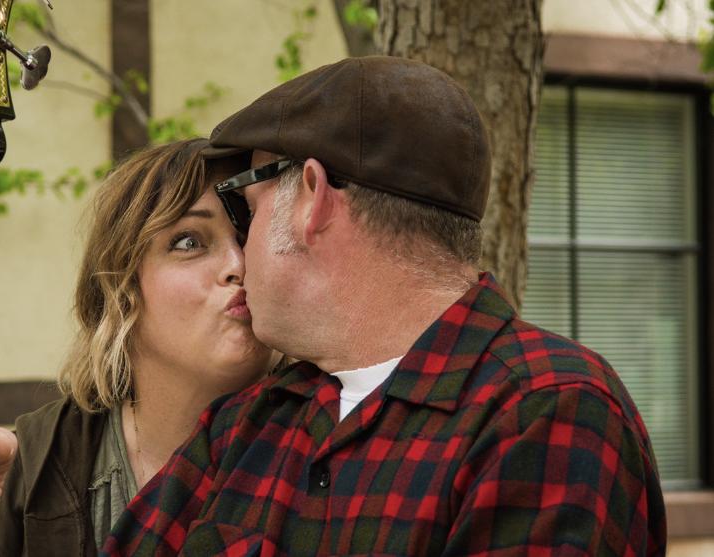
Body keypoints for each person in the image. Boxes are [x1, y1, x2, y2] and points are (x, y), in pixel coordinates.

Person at [103, 56, 666, 555]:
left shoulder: (547, 411)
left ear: (311, 198)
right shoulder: (248, 423)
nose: (240, 256)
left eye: (246, 211)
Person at [0, 139, 280, 556]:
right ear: (121, 293)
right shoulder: (35, 465)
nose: (238, 264)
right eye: (189, 242)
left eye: (248, 234)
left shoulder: (312, 440)